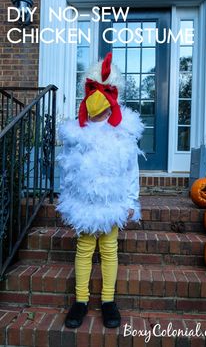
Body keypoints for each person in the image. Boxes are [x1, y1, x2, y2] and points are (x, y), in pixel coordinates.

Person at [56, 52, 144, 329]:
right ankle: (80, 300)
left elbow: (131, 169)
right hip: (83, 201)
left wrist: (131, 200)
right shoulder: (77, 132)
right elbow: (67, 169)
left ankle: (108, 301)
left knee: (108, 249)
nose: (100, 114)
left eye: (105, 107)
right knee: (84, 249)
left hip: (112, 200)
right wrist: (66, 198)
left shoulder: (121, 131)